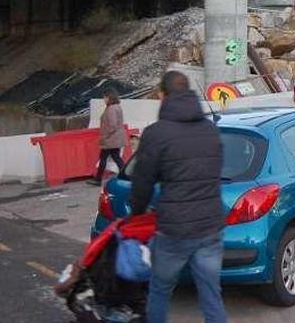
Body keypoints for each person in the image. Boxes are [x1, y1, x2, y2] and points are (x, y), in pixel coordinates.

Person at [129, 71, 226, 323]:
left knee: (160, 289)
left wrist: (137, 212)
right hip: (210, 227)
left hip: (174, 230)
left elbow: (142, 181)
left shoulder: (156, 133)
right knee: (211, 295)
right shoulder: (210, 129)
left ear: (163, 95)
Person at [88, 88, 126, 185]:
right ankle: (126, 175)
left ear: (109, 97)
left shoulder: (111, 109)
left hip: (110, 139)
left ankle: (98, 179)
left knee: (103, 158)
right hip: (116, 139)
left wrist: (104, 136)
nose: (104, 99)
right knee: (116, 157)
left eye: (105, 97)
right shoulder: (117, 107)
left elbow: (112, 125)